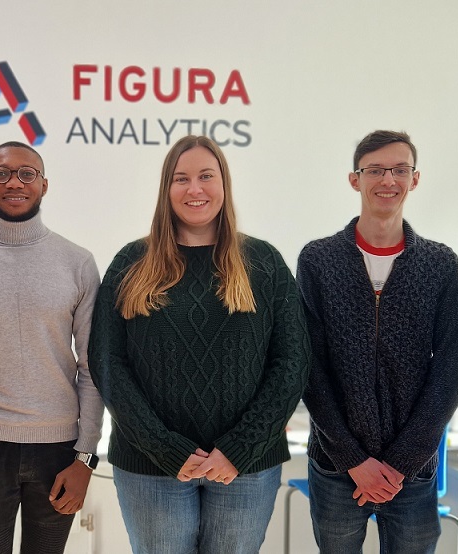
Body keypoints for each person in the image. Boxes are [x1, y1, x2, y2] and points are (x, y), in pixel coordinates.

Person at [88, 135, 310, 554]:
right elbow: (107, 362)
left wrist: (239, 448)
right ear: (165, 190)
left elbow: (292, 362)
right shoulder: (131, 263)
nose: (195, 189)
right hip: (151, 469)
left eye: (206, 176)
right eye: (181, 178)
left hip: (245, 469)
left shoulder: (262, 263)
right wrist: (164, 447)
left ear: (223, 185)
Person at [296, 130, 458, 553]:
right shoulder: (318, 259)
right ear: (356, 179)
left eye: (399, 170)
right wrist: (354, 460)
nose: (388, 180)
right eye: (375, 170)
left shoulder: (439, 263)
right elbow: (309, 370)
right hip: (336, 465)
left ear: (415, 178)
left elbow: (447, 373)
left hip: (411, 469)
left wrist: (398, 464)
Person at [0, 141, 103, 553]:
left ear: (44, 185)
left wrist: (85, 457)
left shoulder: (77, 263)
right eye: (2, 173)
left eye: (27, 173)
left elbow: (92, 368)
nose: (15, 182)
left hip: (59, 451)